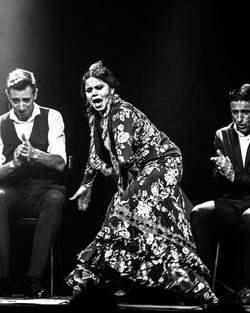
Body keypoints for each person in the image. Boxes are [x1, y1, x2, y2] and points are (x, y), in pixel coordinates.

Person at [65, 61, 218, 306]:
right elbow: (95, 155)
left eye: (99, 87)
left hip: (163, 162)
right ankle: (122, 280)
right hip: (140, 168)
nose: (94, 93)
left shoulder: (121, 113)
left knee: (129, 212)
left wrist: (115, 179)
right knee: (126, 213)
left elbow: (123, 158)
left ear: (111, 89)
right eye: (89, 89)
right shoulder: (97, 118)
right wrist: (87, 184)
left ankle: (188, 284)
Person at [0, 68, 67, 297]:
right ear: (8, 96)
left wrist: (35, 154)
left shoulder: (52, 116)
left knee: (56, 199)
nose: (21, 106)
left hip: (45, 190)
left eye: (26, 100)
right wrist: (14, 165)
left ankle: (33, 278)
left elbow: (60, 163)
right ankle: (3, 279)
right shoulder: (0, 124)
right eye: (15, 100)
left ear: (35, 94)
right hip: (14, 190)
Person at [190, 83, 250, 304]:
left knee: (249, 217)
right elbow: (217, 183)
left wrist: (234, 176)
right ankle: (203, 284)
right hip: (232, 201)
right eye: (235, 112)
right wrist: (223, 173)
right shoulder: (222, 135)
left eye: (245, 112)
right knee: (198, 213)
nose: (240, 118)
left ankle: (247, 288)